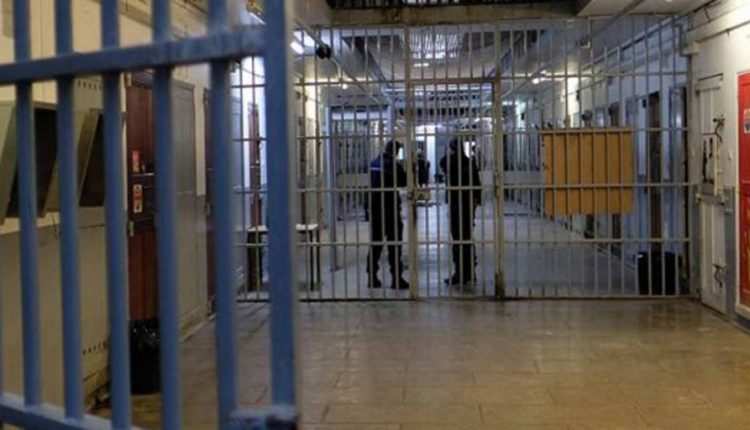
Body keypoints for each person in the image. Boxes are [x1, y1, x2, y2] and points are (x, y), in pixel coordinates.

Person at [366, 140, 409, 290]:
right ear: (395, 152)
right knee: (394, 245)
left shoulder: (373, 163)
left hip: (376, 209)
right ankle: (396, 278)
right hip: (390, 209)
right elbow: (403, 182)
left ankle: (371, 277)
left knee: (376, 244)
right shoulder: (393, 165)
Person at [439, 138, 481, 285]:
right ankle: (471, 272)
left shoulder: (450, 163)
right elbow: (477, 186)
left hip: (457, 205)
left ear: (452, 149)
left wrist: (449, 153)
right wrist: (474, 206)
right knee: (468, 238)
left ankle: (460, 273)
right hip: (467, 205)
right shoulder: (469, 163)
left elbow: (442, 163)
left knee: (458, 239)